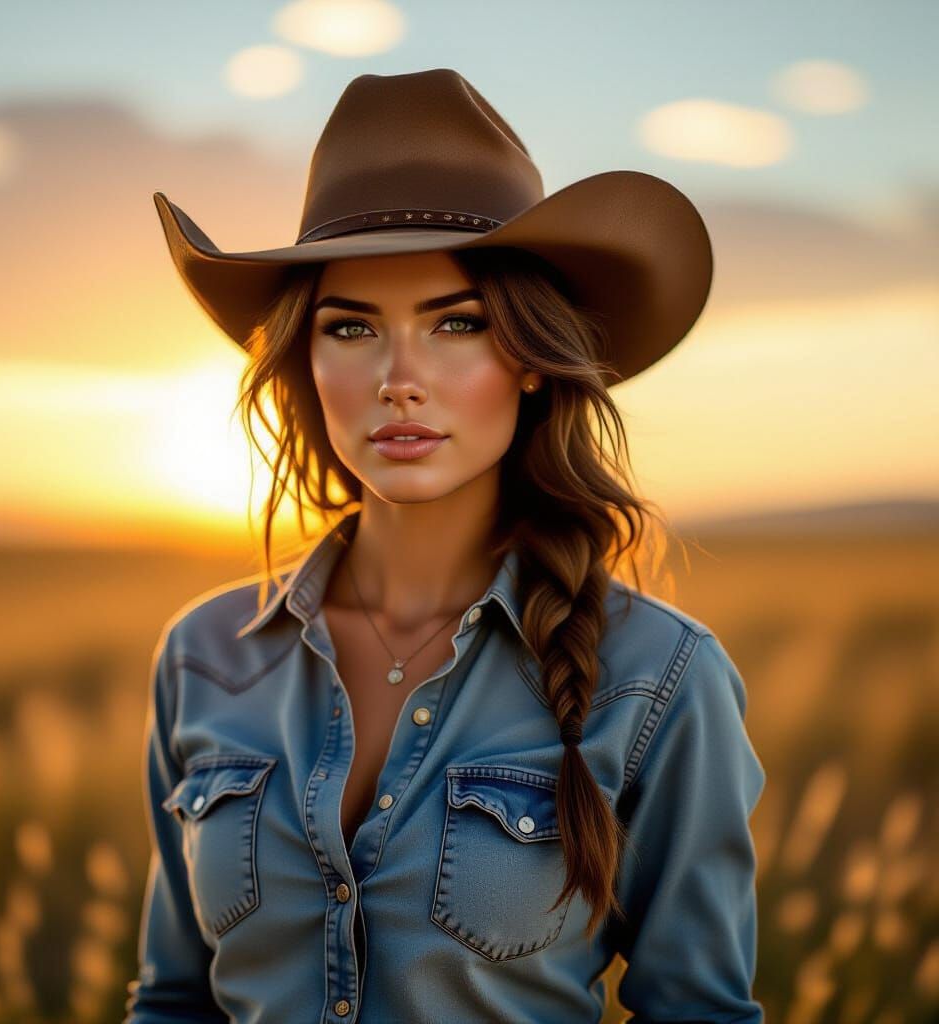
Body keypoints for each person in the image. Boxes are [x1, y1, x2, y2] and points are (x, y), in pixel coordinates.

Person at [124, 68, 766, 1023]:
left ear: (534, 360)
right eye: (351, 328)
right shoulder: (204, 656)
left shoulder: (661, 676)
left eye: (456, 323)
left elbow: (698, 1013)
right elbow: (175, 1000)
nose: (398, 380)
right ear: (306, 360)